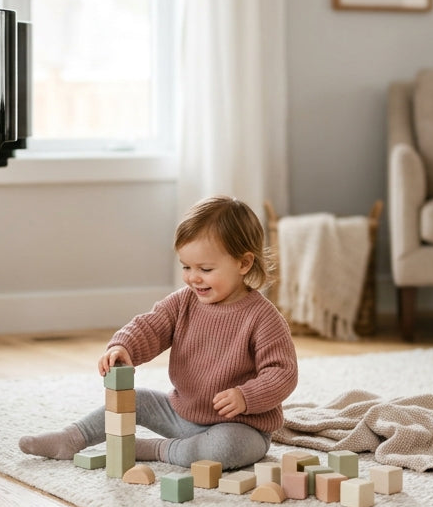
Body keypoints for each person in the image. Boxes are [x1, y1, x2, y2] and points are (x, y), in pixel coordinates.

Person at [18, 195, 298, 469]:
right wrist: (123, 346)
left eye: (206, 268)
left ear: (243, 263)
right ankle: (71, 438)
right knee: (135, 398)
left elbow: (282, 372)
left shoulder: (263, 318)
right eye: (186, 267)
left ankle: (154, 449)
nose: (193, 277)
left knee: (227, 449)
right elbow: (150, 325)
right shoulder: (183, 302)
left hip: (239, 425)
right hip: (182, 413)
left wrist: (246, 397)